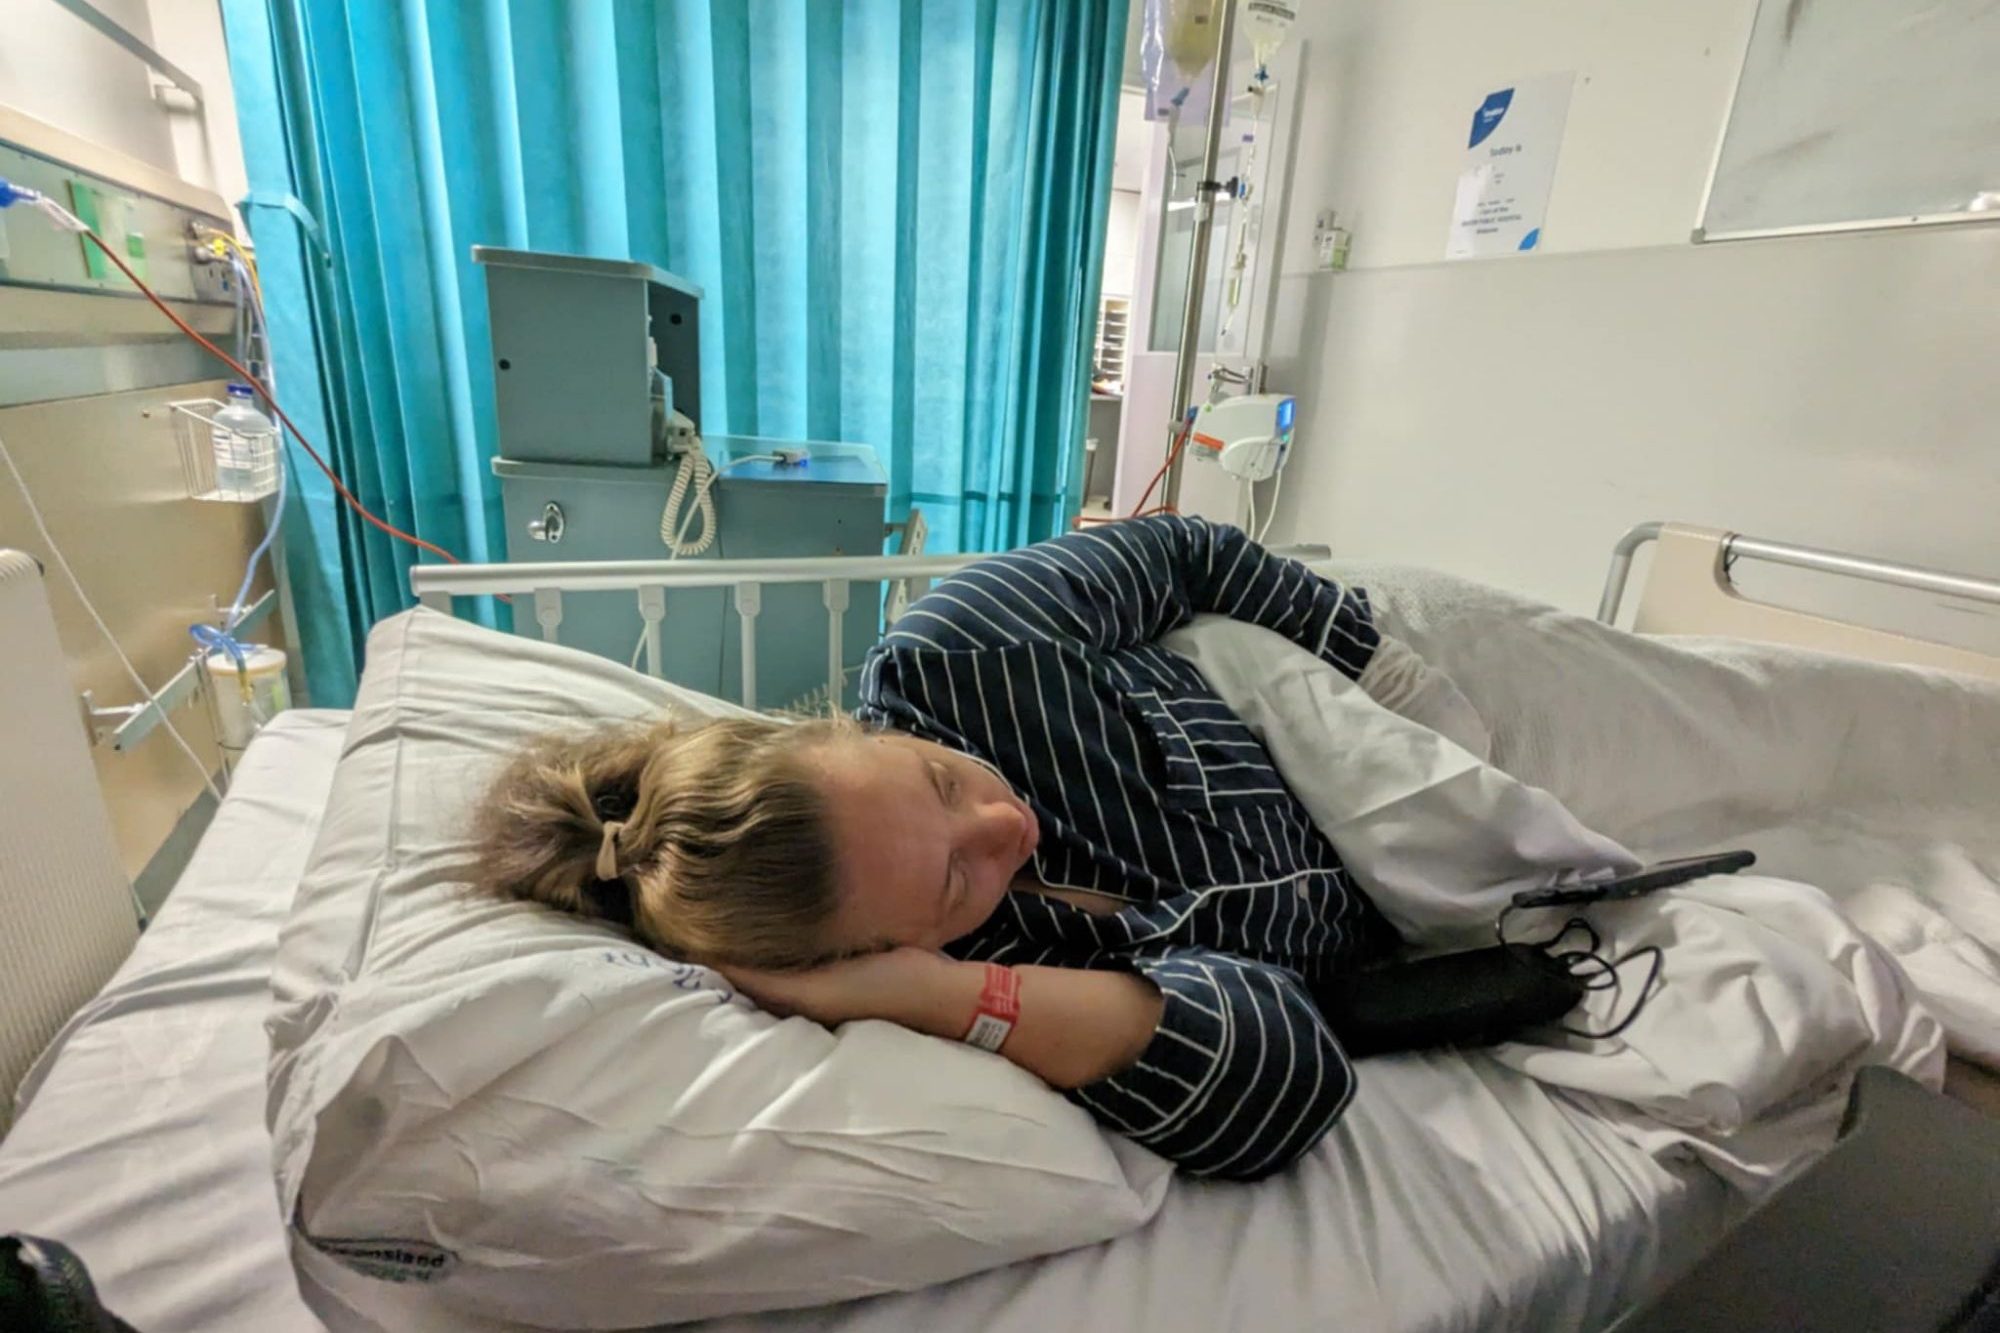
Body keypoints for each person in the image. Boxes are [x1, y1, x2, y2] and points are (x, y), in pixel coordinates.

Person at [475, 515, 1449, 1180]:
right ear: (880, 950)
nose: (1002, 827)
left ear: (844, 729)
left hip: (1408, 708)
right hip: (1431, 911)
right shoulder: (990, 977)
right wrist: (944, 996)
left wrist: (1368, 663)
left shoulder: (964, 655)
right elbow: (1291, 1077)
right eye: (951, 881)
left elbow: (1188, 552)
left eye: (938, 781)